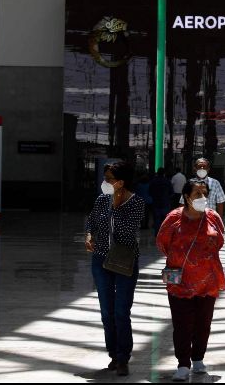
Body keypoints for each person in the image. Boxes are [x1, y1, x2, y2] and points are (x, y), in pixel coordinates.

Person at [156, 179, 225, 382]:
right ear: (186, 197)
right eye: (197, 194)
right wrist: (181, 257)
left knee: (203, 323)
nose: (202, 198)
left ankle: (198, 359)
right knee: (182, 324)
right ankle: (183, 364)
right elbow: (162, 242)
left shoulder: (213, 217)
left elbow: (219, 241)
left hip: (207, 280)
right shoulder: (173, 218)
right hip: (179, 280)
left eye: (205, 194)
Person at [84, 160, 144, 377]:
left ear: (120, 182)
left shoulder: (136, 202)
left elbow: (127, 232)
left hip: (124, 260)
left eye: (108, 179)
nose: (104, 182)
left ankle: (123, 357)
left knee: (121, 311)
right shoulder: (101, 199)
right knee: (106, 311)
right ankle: (113, 354)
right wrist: (90, 235)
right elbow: (91, 221)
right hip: (100, 260)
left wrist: (114, 207)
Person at [149, 168, 174, 236]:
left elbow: (150, 192)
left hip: (156, 203)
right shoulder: (167, 181)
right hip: (165, 203)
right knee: (165, 219)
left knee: (157, 219)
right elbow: (171, 192)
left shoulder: (153, 181)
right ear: (164, 173)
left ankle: (157, 233)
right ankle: (163, 233)